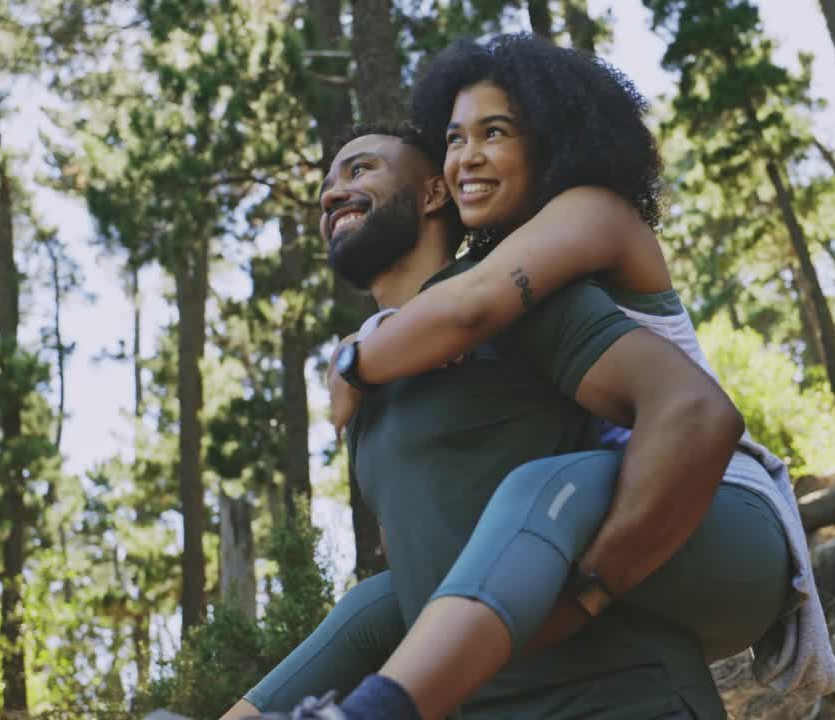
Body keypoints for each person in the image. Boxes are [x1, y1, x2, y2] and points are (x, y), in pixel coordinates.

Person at [230, 124, 753, 720]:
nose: (330, 195)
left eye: (359, 170)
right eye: (326, 184)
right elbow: (412, 595)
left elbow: (690, 412)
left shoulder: (518, 297)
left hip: (625, 697)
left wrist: (592, 592)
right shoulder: (367, 388)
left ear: (433, 194)